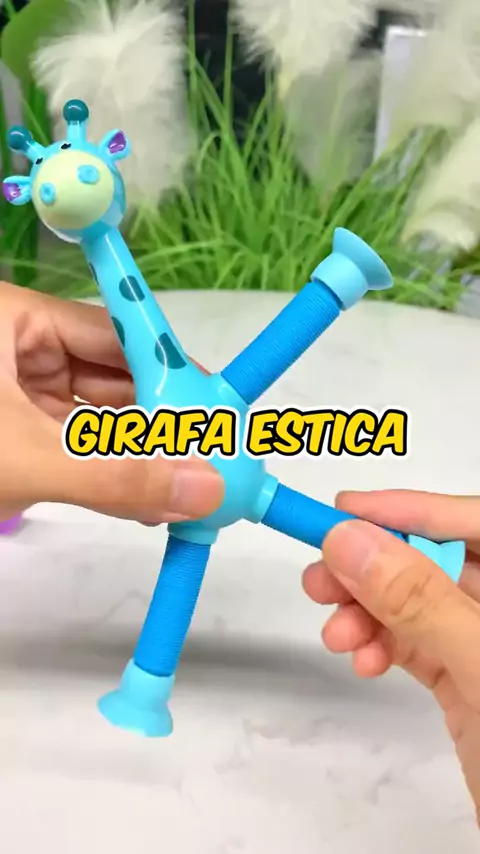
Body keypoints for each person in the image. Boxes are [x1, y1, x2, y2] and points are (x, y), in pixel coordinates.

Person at [1, 280, 479, 826]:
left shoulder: (199, 405)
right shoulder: (209, 402)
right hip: (253, 491)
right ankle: (145, 688)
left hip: (249, 491)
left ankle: (145, 688)